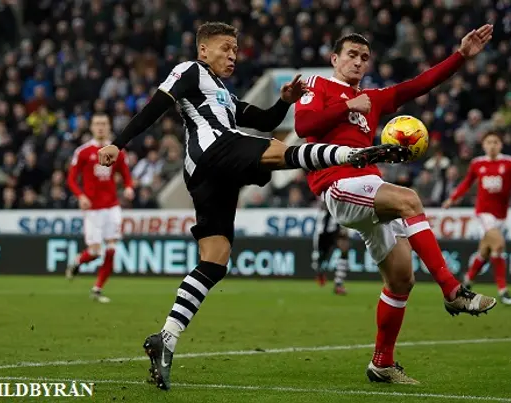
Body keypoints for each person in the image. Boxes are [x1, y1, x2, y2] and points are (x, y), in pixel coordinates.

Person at [96, 22, 406, 391]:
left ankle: (166, 338)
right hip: (213, 151)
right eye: (225, 48)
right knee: (277, 151)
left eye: (235, 50)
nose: (232, 55)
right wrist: (119, 143)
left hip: (213, 175)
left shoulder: (223, 93)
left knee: (215, 258)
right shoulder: (190, 71)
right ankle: (351, 154)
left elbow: (262, 119)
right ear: (203, 50)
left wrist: (285, 101)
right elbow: (155, 107)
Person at [294, 26, 497, 385]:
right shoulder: (317, 87)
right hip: (336, 184)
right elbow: (303, 125)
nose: (358, 61)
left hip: (370, 186)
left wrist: (461, 55)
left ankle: (382, 364)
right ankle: (452, 290)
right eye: (351, 55)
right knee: (410, 199)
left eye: (364, 57)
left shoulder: (372, 98)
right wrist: (347, 106)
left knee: (402, 280)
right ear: (334, 59)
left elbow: (417, 85)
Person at [442, 131, 511, 306]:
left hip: (501, 215)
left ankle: (467, 282)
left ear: (501, 145)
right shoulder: (477, 164)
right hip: (484, 213)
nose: (492, 145)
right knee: (499, 245)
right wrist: (452, 198)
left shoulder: (510, 163)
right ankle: (503, 291)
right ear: (484, 145)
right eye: (489, 142)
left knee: (485, 252)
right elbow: (466, 183)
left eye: (495, 142)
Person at [65, 112, 134, 303]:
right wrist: (80, 196)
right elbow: (71, 178)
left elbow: (126, 173)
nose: (101, 127)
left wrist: (128, 187)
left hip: (112, 206)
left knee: (112, 248)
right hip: (93, 208)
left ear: (109, 126)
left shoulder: (116, 151)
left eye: (104, 123)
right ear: (92, 127)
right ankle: (77, 261)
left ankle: (97, 289)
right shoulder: (83, 152)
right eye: (97, 124)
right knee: (95, 251)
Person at [311, 202, 350, 295]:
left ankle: (338, 284)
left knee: (344, 249)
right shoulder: (326, 193)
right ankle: (320, 273)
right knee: (321, 259)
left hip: (337, 226)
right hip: (324, 231)